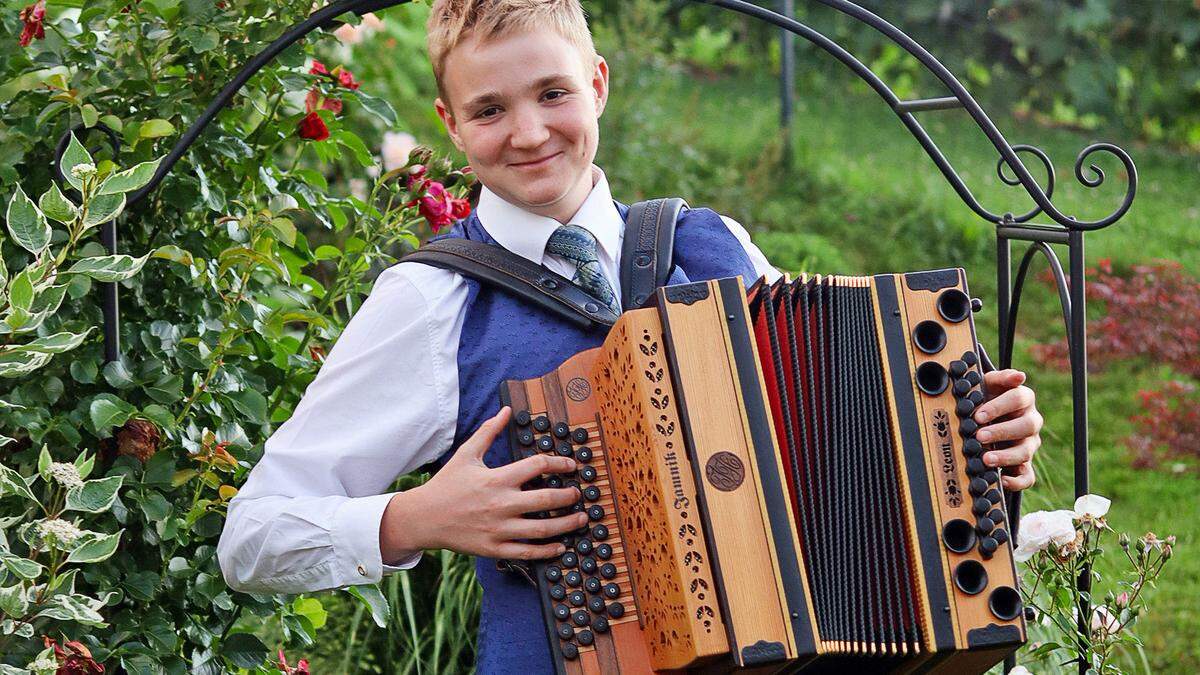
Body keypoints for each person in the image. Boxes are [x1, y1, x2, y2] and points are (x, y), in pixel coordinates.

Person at [217, 0, 1043, 671]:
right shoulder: (431, 301)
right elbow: (251, 539)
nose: (531, 132)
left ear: (599, 83)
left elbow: (841, 437)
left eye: (553, 93)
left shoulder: (713, 245)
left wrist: (980, 445)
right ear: (452, 124)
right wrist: (417, 517)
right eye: (490, 110)